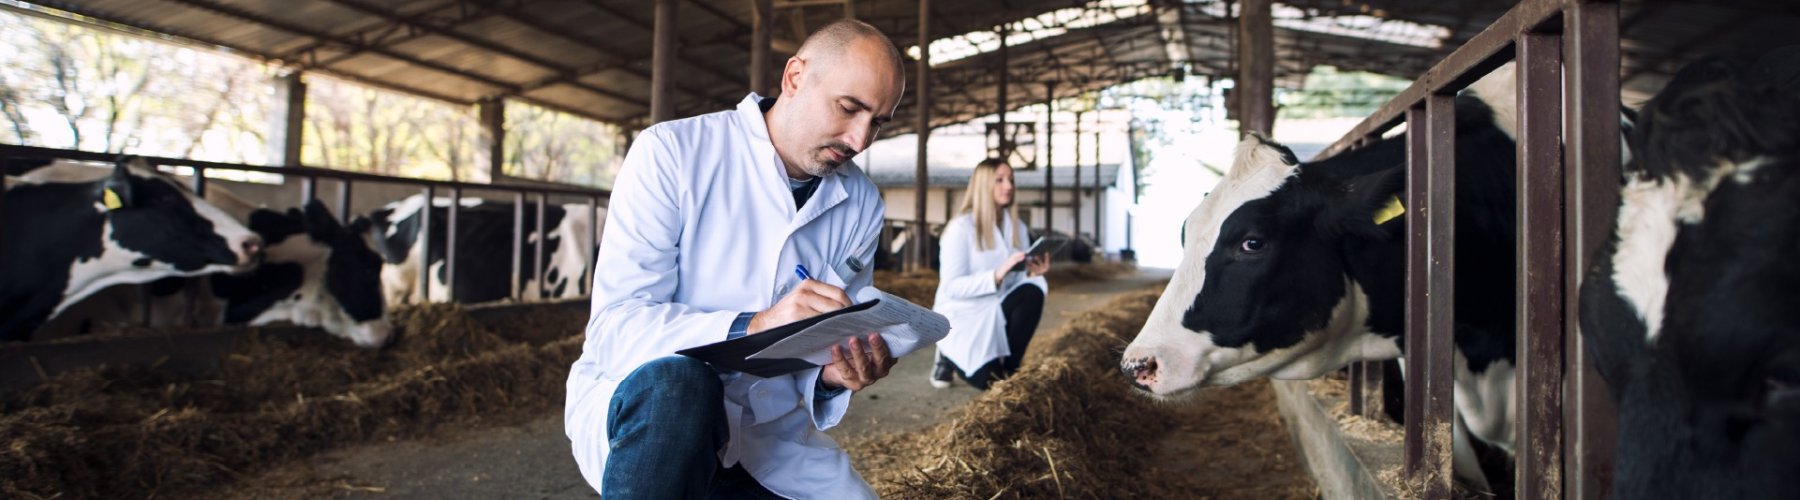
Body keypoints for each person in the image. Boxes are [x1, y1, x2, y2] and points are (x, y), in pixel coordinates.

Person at [564, 20, 907, 499]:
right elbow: (616, 327)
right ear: (794, 77)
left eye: (877, 122)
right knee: (680, 385)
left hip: (769, 437)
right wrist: (755, 325)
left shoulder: (861, 202)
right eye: (849, 108)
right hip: (655, 417)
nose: (859, 140)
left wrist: (832, 376)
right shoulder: (672, 153)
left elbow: (820, 348)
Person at [930, 159, 1049, 390]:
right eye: (999, 180)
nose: (1009, 186)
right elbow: (951, 287)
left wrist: (1031, 273)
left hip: (997, 307)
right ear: (983, 185)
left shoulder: (1018, 227)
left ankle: (1011, 370)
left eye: (1011, 180)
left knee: (1033, 290)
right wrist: (995, 276)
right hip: (964, 314)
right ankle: (946, 353)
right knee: (987, 381)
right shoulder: (960, 228)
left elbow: (1017, 281)